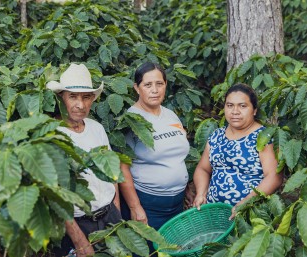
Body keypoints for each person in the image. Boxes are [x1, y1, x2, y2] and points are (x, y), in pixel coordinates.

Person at [47, 63, 141, 257]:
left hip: (109, 216)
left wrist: (114, 209)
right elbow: (54, 194)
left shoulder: (96, 128)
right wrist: (79, 240)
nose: (80, 105)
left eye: (86, 97)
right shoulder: (51, 134)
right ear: (61, 98)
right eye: (73, 97)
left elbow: (110, 173)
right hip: (76, 224)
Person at [192, 83, 282, 214]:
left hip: (250, 213)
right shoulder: (217, 136)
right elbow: (203, 169)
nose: (235, 111)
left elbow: (274, 176)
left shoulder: (263, 137)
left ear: (254, 110)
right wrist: (201, 193)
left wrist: (246, 202)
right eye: (230, 105)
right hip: (214, 213)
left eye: (242, 106)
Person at [120, 62, 190, 231]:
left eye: (159, 84)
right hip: (148, 204)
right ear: (137, 88)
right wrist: (135, 207)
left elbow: (177, 155)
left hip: (177, 204)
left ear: (166, 85)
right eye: (148, 85)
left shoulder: (171, 115)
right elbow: (122, 167)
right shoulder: (131, 120)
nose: (155, 90)